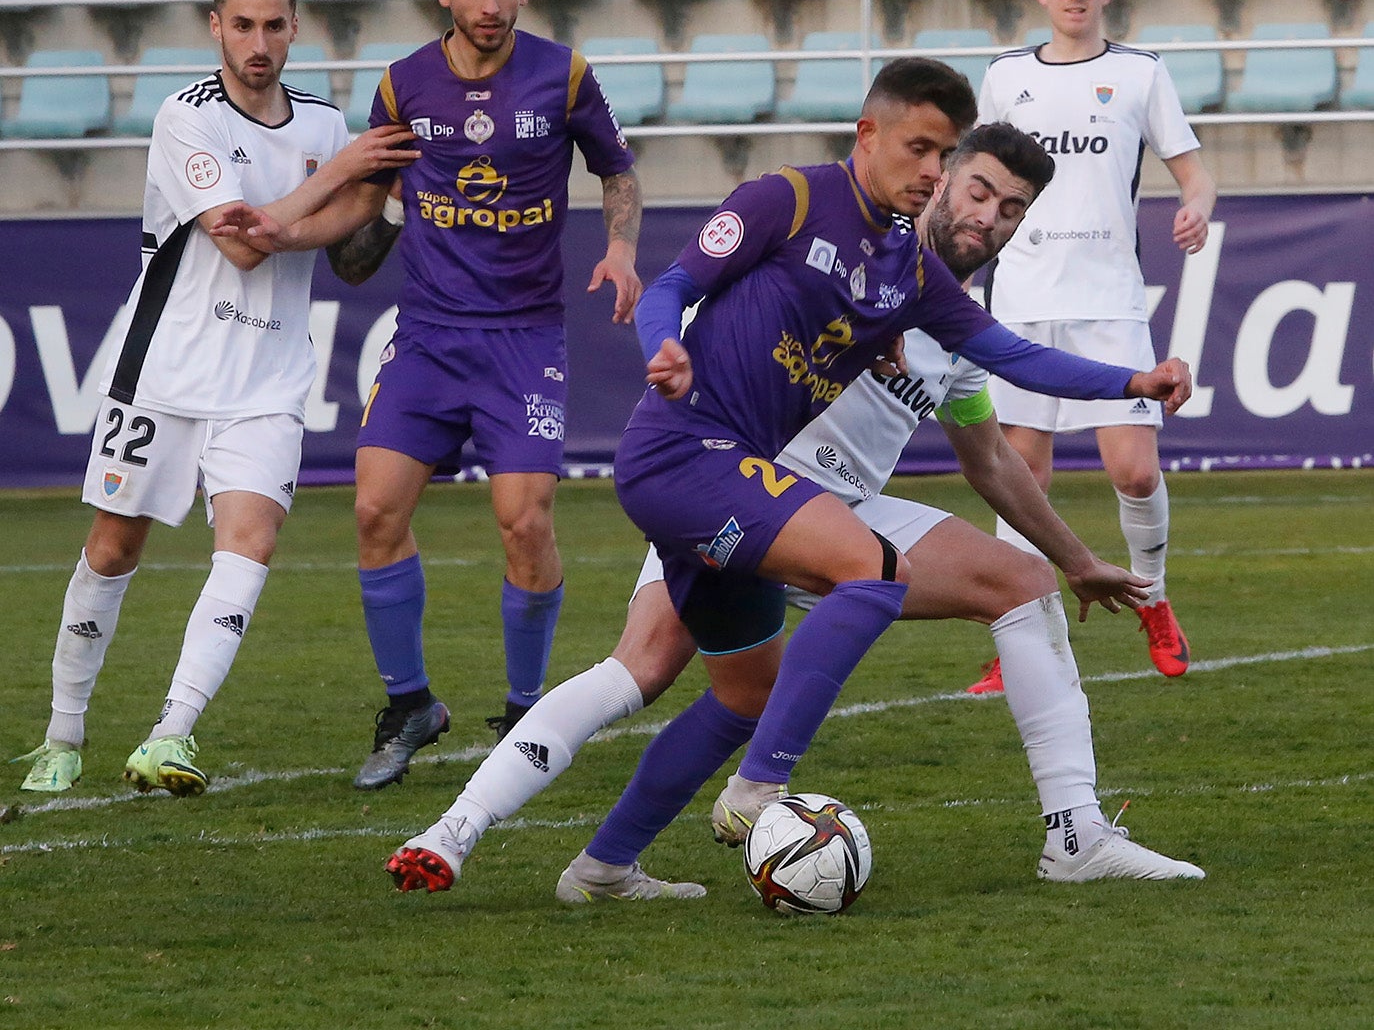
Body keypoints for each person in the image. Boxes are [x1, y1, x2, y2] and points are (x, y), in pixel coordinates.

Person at [383, 78, 1202, 898]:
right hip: (722, 475)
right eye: (972, 184)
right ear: (920, 165)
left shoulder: (929, 301)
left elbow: (992, 453)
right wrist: (666, 344)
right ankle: (514, 819)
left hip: (826, 507)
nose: (987, 213)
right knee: (648, 663)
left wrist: (1080, 545)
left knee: (1010, 588)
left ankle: (1075, 834)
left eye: (1011, 206)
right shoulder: (809, 207)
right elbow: (688, 284)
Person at [11, 0, 421, 795]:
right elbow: (238, 245)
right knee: (112, 549)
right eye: (243, 25)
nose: (259, 42)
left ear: (296, 25)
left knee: (250, 545)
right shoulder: (184, 119)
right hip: (165, 370)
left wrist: (385, 203)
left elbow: (347, 259)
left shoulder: (320, 124)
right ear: (215, 27)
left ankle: (171, 734)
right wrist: (343, 177)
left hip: (269, 381)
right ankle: (62, 734)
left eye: (274, 25)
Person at [326, 0, 644, 789]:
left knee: (525, 522)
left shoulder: (564, 74)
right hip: (427, 337)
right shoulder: (402, 86)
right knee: (373, 512)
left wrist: (620, 248)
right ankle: (410, 705)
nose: (491, 3)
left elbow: (616, 169)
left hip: (523, 339)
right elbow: (364, 226)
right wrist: (364, 213)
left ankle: (525, 710)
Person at [968, 0, 1218, 695]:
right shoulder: (1007, 75)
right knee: (1022, 476)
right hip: (1019, 298)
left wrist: (1196, 207)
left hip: (1109, 299)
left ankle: (1155, 594)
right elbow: (974, 181)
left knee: (1134, 471)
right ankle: (1020, 643)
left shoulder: (1141, 74)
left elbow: (1193, 171)